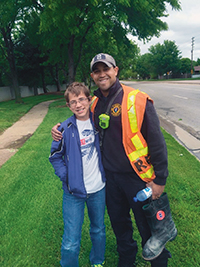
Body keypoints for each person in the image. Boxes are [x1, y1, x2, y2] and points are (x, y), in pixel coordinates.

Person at [51, 54, 177, 267]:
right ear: (93, 75)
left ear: (115, 70)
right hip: (109, 180)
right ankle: (127, 260)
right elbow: (77, 118)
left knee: (148, 227)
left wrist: (160, 180)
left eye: (106, 69)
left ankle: (159, 262)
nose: (102, 74)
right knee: (120, 226)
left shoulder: (137, 99)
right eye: (97, 71)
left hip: (137, 179)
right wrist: (59, 128)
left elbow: (157, 143)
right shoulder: (94, 103)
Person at [49, 82, 106, 267]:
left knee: (98, 230)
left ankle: (97, 261)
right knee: (71, 240)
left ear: (89, 100)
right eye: (73, 102)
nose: (78, 105)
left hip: (98, 189)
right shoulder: (64, 129)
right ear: (68, 105)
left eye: (82, 99)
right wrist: (67, 177)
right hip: (73, 192)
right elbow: (55, 156)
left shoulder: (100, 121)